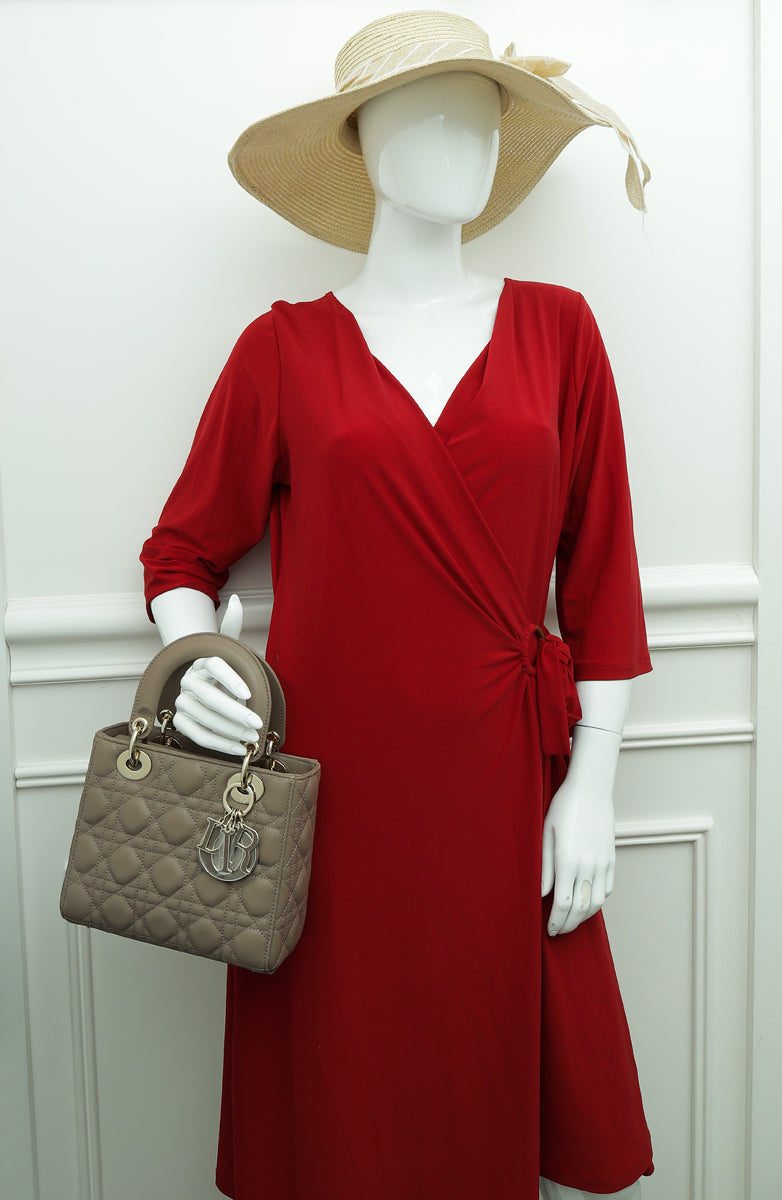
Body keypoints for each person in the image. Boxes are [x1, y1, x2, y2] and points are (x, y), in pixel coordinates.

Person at [140, 11, 654, 1199]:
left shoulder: (560, 331)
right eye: (430, 118)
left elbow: (603, 582)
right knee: (344, 1092)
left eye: (485, 121)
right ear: (363, 148)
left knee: (478, 1064)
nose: (466, 147)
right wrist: (198, 653)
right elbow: (181, 549)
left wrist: (592, 784)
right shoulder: (282, 350)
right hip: (333, 792)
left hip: (500, 779)